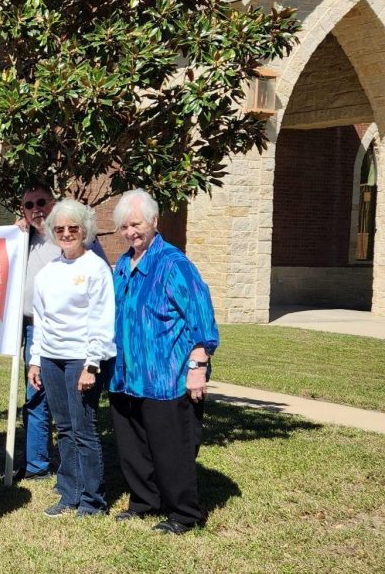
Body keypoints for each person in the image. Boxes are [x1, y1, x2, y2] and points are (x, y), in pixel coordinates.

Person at [109, 189, 219, 535]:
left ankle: (184, 513)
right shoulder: (124, 265)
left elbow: (202, 322)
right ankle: (145, 501)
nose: (131, 232)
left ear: (154, 222)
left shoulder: (174, 264)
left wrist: (197, 367)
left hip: (167, 377)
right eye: (125, 227)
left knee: (171, 448)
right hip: (127, 376)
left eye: (137, 224)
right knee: (134, 447)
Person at [27, 199, 115, 518]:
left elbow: (101, 321)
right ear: (52, 232)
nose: (66, 233)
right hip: (51, 359)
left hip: (81, 359)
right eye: (60, 228)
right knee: (63, 428)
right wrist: (36, 361)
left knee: (84, 429)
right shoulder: (49, 272)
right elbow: (41, 319)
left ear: (85, 230)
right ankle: (69, 493)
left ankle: (93, 500)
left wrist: (92, 364)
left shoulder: (95, 268)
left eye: (73, 228)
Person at [14, 183, 108, 481]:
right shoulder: (22, 238)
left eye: (41, 202)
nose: (36, 209)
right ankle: (37, 465)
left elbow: (101, 293)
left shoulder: (76, 241)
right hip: (35, 330)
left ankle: (86, 486)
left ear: (53, 203)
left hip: (77, 339)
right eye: (29, 205)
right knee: (36, 397)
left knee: (76, 414)